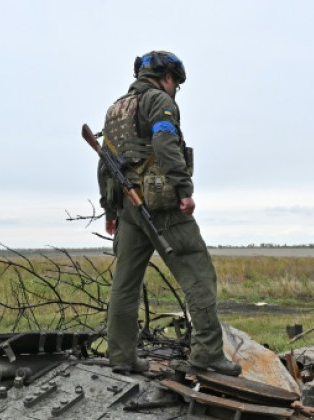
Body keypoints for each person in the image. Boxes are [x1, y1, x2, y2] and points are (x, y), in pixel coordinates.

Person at [97, 50, 241, 377]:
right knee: (198, 271)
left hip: (127, 206)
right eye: (175, 82)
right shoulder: (158, 101)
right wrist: (183, 190)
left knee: (125, 284)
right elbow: (165, 142)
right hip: (159, 204)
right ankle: (207, 353)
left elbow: (105, 162)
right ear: (166, 77)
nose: (175, 88)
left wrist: (110, 209)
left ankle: (121, 356)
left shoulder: (115, 109)